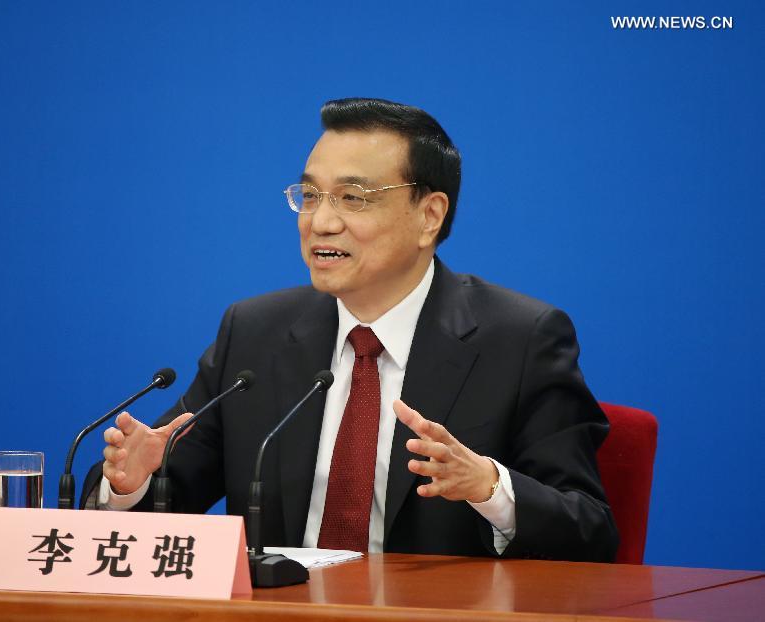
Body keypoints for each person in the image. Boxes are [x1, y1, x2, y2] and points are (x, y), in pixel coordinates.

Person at [81, 98, 619, 562]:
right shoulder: (253, 335)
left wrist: (489, 488)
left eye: (353, 198)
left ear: (429, 215)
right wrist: (130, 484)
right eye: (311, 195)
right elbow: (161, 502)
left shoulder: (521, 339)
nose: (321, 222)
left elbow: (590, 531)